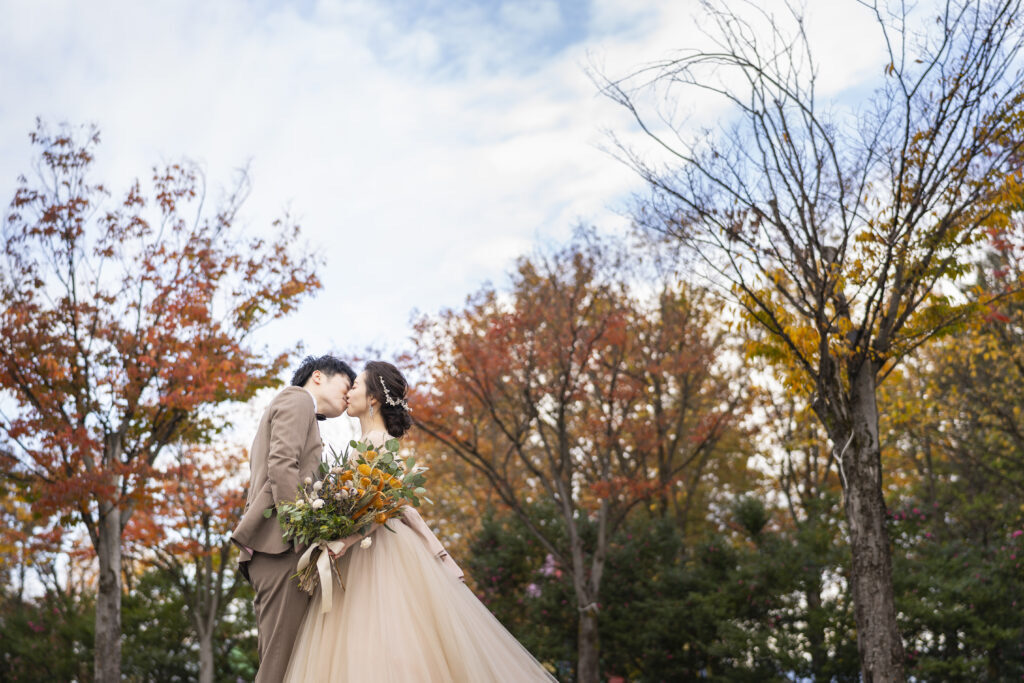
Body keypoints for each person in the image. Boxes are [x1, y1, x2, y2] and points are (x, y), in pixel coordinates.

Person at [284, 360, 556, 682]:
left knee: (380, 637)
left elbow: (385, 506)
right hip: (364, 547)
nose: (348, 392)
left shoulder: (377, 444)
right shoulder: (369, 445)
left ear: (373, 398)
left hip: (379, 552)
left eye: (355, 386)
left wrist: (345, 540)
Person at [231, 354, 356, 683]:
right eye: (346, 384)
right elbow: (282, 465)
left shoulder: (300, 409)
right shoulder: (298, 399)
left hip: (276, 547)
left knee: (284, 659)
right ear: (318, 376)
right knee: (278, 664)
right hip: (281, 546)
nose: (350, 394)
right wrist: (303, 532)